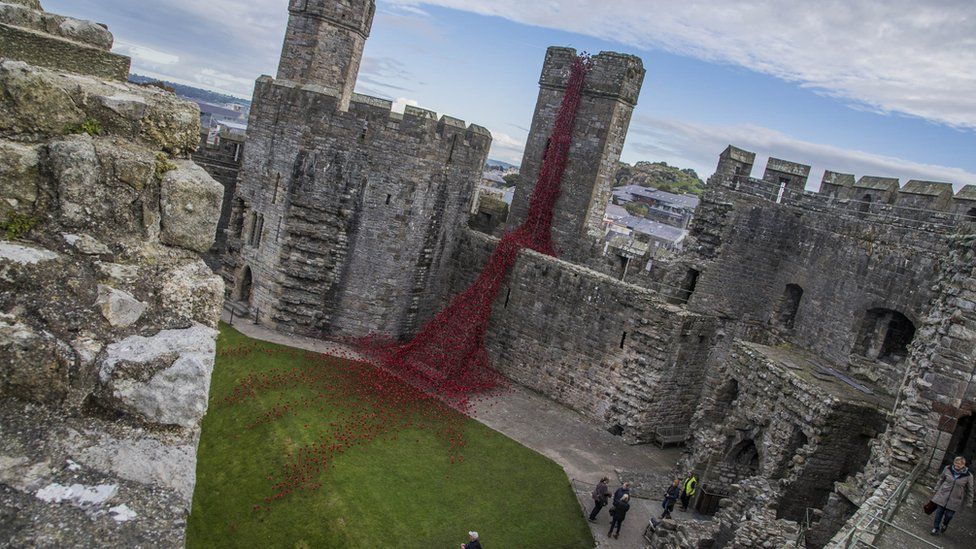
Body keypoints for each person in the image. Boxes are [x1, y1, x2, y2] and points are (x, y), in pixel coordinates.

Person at [929, 456, 973, 536]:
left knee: (949, 515)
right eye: (955, 463)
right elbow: (941, 479)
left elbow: (970, 490)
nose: (956, 466)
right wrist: (936, 489)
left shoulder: (968, 475)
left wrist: (969, 502)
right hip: (943, 495)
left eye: (959, 464)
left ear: (963, 465)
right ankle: (936, 528)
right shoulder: (948, 468)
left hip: (955, 499)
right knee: (939, 512)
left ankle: (945, 524)